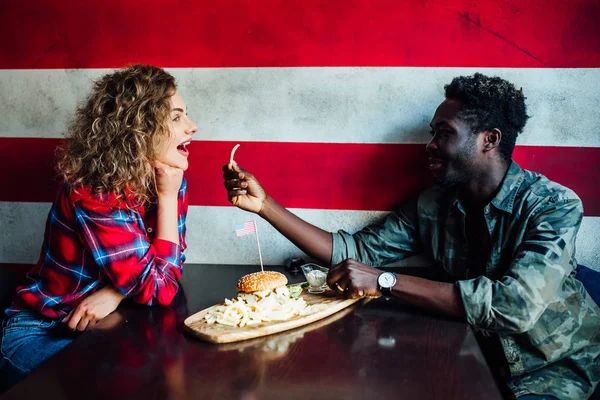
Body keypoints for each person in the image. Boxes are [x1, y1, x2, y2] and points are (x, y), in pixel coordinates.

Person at [223, 73, 600, 399]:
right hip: (471, 357)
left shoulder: (553, 205)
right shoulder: (433, 205)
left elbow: (513, 305)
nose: (429, 145)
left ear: (490, 139)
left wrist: (386, 282)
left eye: (444, 133)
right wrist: (265, 206)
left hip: (552, 373)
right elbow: (354, 251)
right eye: (432, 132)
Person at [0, 64, 197, 392]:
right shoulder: (95, 191)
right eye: (177, 117)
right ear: (139, 128)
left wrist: (115, 292)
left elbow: (170, 267)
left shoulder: (169, 177)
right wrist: (167, 198)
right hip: (42, 330)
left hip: (102, 322)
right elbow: (160, 287)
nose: (193, 127)